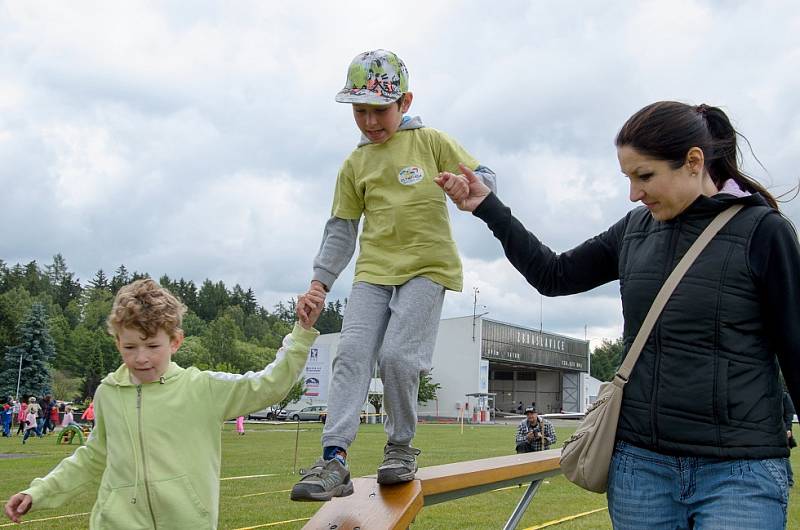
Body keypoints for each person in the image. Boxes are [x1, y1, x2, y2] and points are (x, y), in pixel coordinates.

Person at [438, 101, 800, 529]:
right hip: (640, 468)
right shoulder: (634, 229)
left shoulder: (762, 231)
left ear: (693, 162)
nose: (634, 193)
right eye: (628, 178)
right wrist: (488, 206)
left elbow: (795, 350)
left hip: (740, 470)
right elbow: (553, 275)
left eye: (644, 176)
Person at [290, 49, 497, 502]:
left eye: (378, 110)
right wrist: (319, 283)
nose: (368, 122)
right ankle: (334, 460)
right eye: (358, 111)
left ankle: (400, 448)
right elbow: (341, 230)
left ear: (404, 102)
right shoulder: (355, 165)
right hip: (373, 273)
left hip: (428, 267)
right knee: (351, 355)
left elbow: (484, 175)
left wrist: (469, 187)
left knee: (399, 359)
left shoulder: (431, 141)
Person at [3, 278, 325, 528]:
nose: (140, 358)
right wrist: (39, 492)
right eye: (129, 347)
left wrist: (301, 333)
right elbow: (93, 458)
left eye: (152, 346)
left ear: (175, 341)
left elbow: (270, 385)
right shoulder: (108, 392)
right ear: (117, 342)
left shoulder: (203, 389)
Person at [783, 391, 796, 487]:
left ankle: (789, 479)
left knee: (784, 455)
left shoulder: (784, 395)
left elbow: (789, 413)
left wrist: (788, 428)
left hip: (783, 429)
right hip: (770, 429)